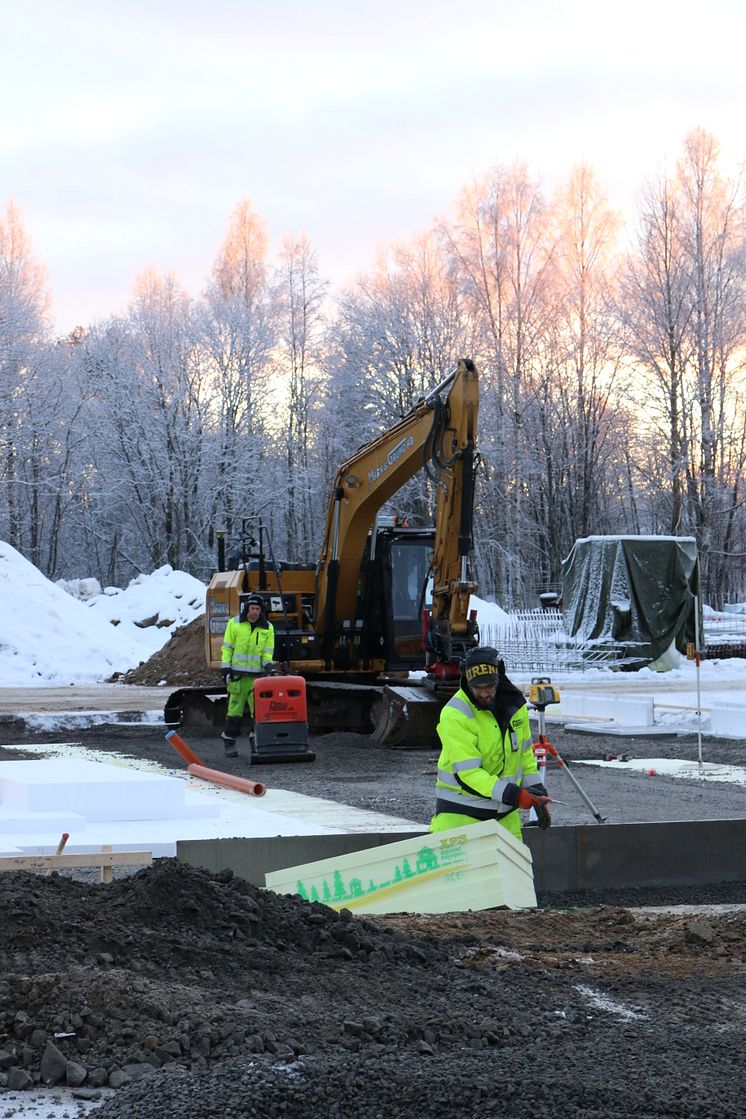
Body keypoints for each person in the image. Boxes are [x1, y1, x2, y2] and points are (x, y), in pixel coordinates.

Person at [430, 645, 551, 841]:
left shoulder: (515, 707)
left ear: (498, 680)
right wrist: (515, 795)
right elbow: (469, 773)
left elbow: (524, 756)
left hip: (505, 815)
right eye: (478, 688)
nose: (485, 693)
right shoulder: (455, 714)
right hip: (462, 816)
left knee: (514, 870)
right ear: (468, 682)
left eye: (490, 687)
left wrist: (537, 792)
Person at [220, 592, 276, 758]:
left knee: (258, 714)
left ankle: (256, 743)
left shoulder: (267, 628)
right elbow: (227, 647)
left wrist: (268, 665)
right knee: (234, 713)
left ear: (261, 610)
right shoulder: (234, 624)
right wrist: (225, 667)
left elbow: (267, 652)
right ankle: (229, 742)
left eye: (257, 608)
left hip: (256, 679)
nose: (254, 611)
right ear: (247, 608)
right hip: (237, 677)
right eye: (252, 608)